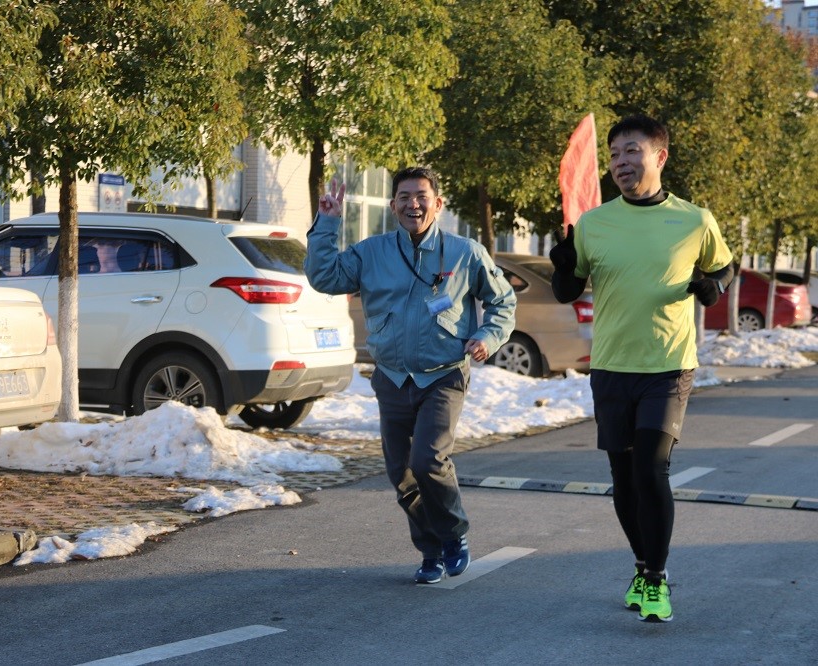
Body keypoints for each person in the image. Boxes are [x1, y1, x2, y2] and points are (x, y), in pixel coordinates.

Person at [550, 114, 734, 622]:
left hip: (668, 364)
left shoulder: (695, 220)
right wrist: (563, 265)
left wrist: (713, 287)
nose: (620, 162)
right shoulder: (593, 223)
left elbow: (722, 266)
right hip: (611, 365)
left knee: (651, 468)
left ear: (659, 156)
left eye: (631, 151)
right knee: (624, 478)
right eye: (613, 155)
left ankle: (656, 579)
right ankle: (641, 562)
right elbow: (568, 291)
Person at [305, 166, 516, 584]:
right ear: (393, 205)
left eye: (421, 196)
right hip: (392, 377)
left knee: (428, 459)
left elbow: (503, 302)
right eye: (404, 197)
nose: (413, 204)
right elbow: (324, 277)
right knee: (401, 473)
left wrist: (487, 337)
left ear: (438, 204)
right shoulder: (372, 252)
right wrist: (327, 223)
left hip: (443, 375)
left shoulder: (465, 253)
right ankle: (430, 549)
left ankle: (453, 535)